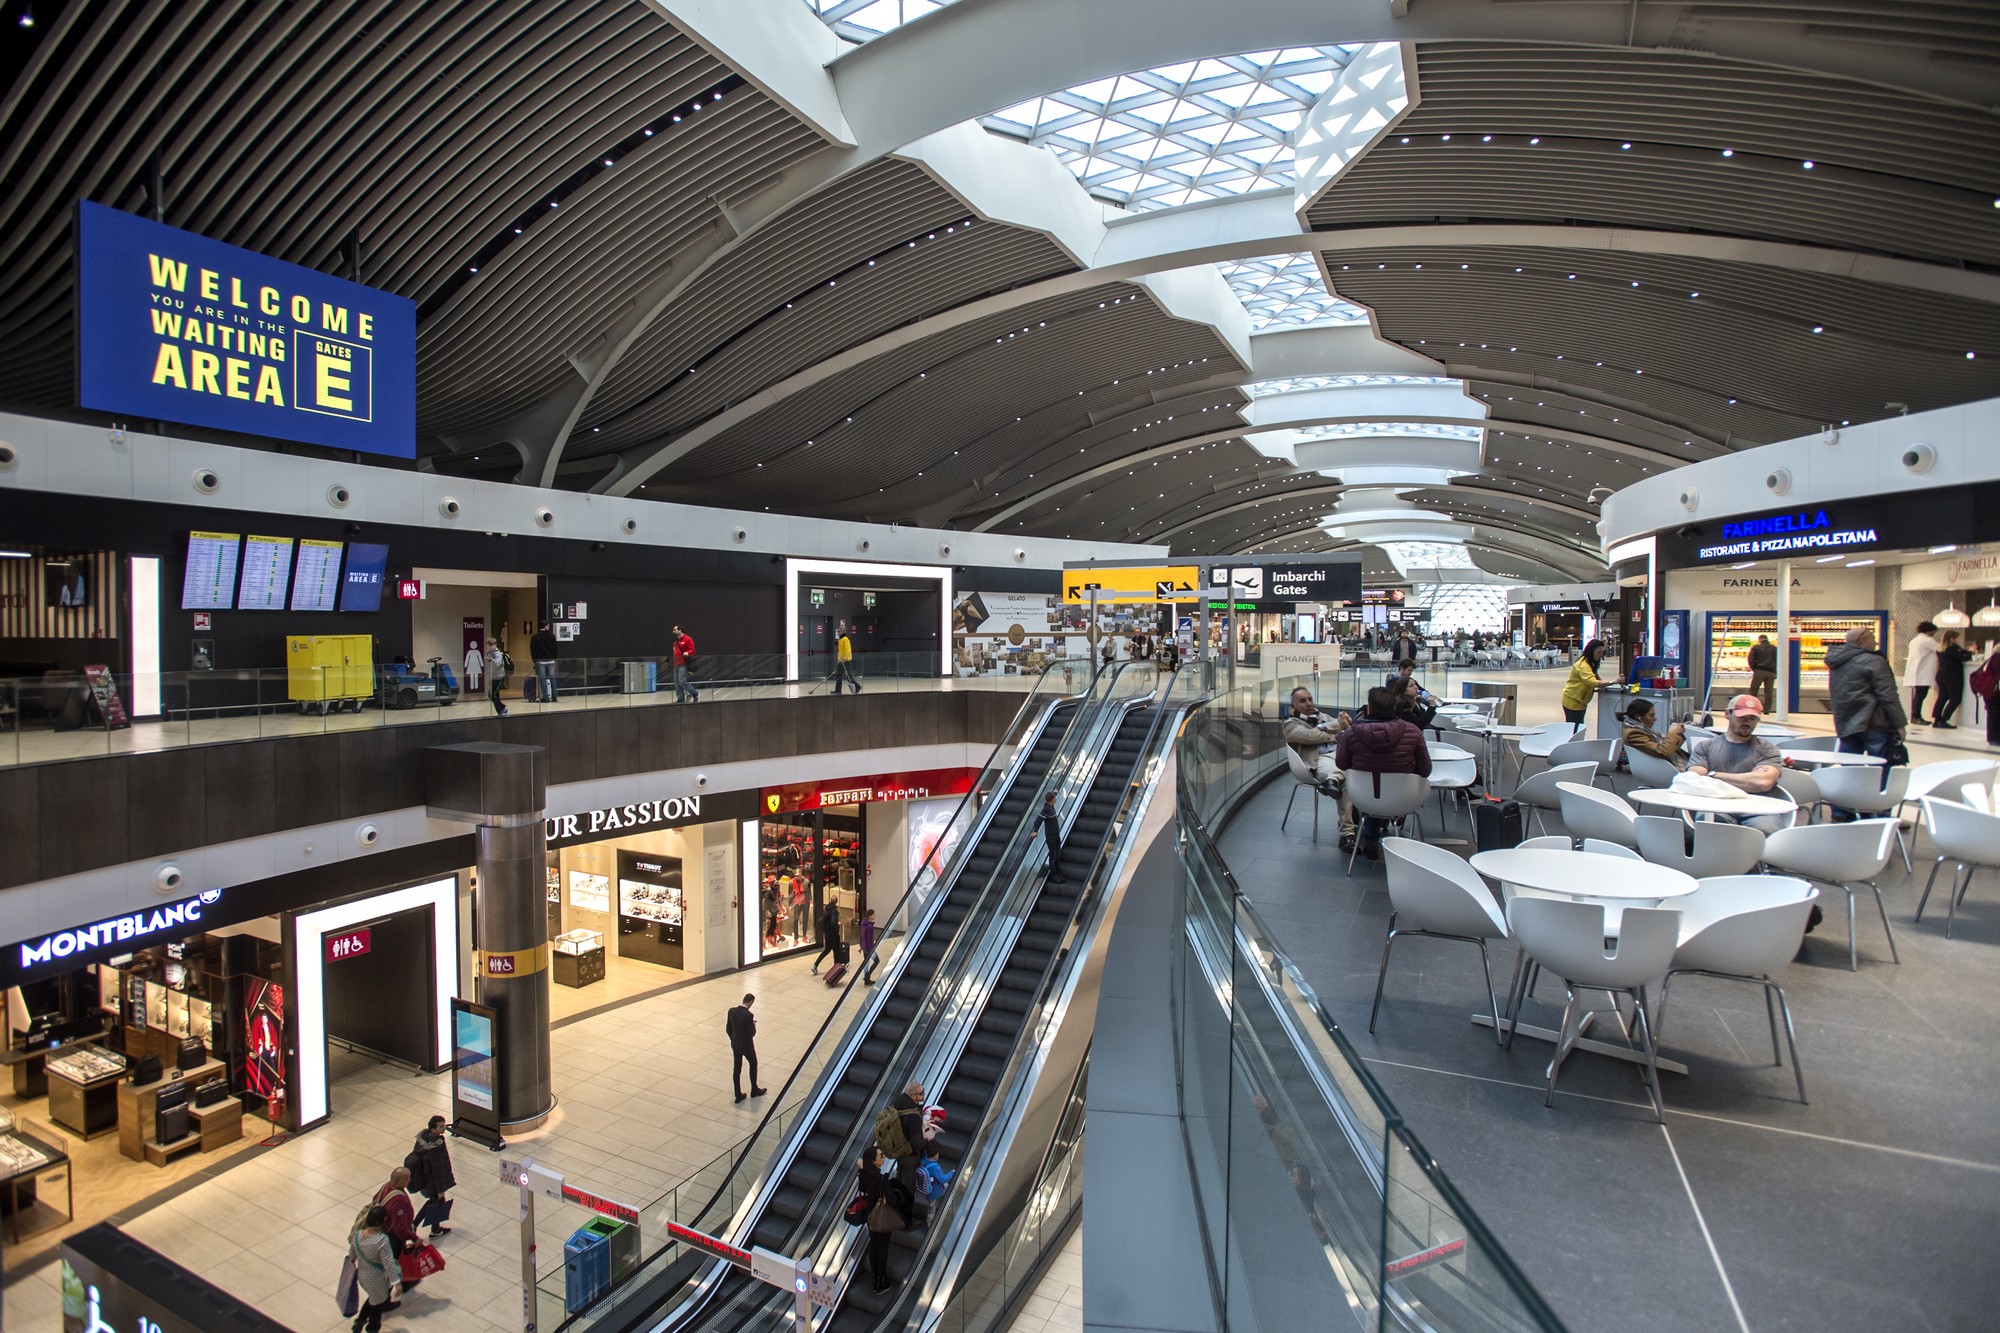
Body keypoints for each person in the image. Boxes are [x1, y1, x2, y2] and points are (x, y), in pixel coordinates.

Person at [1335, 687, 1433, 859]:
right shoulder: (1413, 732)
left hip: (1364, 798)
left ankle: (1371, 838)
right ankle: (1389, 822)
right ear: (1395, 708)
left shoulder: (1350, 734)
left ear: (1369, 708)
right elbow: (1425, 771)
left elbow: (1341, 764)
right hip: (1405, 798)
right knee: (1384, 785)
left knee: (1374, 785)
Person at [1826, 626, 1907, 819]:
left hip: (1847, 722)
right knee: (1879, 770)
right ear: (1862, 641)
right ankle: (1878, 811)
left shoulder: (1836, 661)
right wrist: (1900, 723)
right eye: (1872, 638)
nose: (1876, 643)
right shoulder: (1873, 660)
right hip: (1875, 722)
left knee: (1849, 770)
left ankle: (1843, 810)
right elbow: (1888, 695)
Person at [1283, 686, 1358, 848]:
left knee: (1357, 769)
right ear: (1293, 706)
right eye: (1302, 701)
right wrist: (1334, 728)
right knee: (1346, 778)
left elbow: (1348, 731)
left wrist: (1334, 727)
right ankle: (1348, 834)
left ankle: (1333, 781)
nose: (1308, 703)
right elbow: (1310, 736)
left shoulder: (1323, 716)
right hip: (1317, 762)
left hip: (1338, 756)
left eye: (1310, 699)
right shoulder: (1290, 724)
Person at [349, 1206, 401, 1333]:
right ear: (381, 1222)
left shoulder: (357, 1236)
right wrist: (396, 1282)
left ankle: (359, 1322)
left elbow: (351, 1255)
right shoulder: (382, 1240)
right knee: (377, 1306)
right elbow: (388, 1263)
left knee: (373, 1298)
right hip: (377, 1278)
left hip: (362, 1275)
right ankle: (372, 1328)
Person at [873, 1081, 927, 1199]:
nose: (923, 1094)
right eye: (920, 1093)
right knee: (907, 1188)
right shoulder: (914, 1117)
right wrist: (928, 1142)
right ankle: (901, 1210)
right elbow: (916, 1143)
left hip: (899, 1151)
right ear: (912, 1096)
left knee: (899, 1178)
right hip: (909, 1155)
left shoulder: (898, 1105)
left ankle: (895, 1201)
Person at [406, 1116, 456, 1238]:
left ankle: (435, 1229)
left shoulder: (423, 1138)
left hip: (423, 1177)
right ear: (433, 1129)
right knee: (435, 1201)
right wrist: (441, 1189)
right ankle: (415, 1224)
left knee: (438, 1202)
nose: (444, 1127)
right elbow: (437, 1169)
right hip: (432, 1181)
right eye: (441, 1126)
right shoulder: (436, 1146)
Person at [856, 1145, 897, 1293]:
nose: (883, 1158)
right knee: (883, 1249)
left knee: (874, 1245)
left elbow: (862, 1189)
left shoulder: (865, 1175)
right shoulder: (882, 1179)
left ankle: (875, 1279)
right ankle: (882, 1281)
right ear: (873, 1161)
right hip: (883, 1217)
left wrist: (862, 1170)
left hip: (870, 1216)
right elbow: (892, 1200)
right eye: (881, 1156)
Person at [373, 1167, 423, 1288]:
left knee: (393, 1260)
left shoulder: (386, 1186)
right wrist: (414, 1238)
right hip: (394, 1237)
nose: (409, 1180)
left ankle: (403, 1281)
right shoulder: (398, 1200)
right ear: (397, 1181)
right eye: (406, 1179)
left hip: (384, 1230)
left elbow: (375, 1200)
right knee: (396, 1260)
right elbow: (399, 1228)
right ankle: (398, 1284)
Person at [1618, 698, 1688, 769]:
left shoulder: (1644, 730)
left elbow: (1670, 748)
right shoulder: (1633, 734)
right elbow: (1664, 752)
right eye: (1651, 715)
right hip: (1660, 768)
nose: (1655, 719)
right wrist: (1673, 733)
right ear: (1639, 717)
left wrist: (1677, 734)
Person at [726, 993, 765, 1103]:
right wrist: (754, 1024)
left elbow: (728, 1029)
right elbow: (751, 1033)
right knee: (753, 1064)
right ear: (751, 1002)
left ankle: (738, 1094)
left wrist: (733, 1040)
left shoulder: (731, 1011)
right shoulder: (748, 1015)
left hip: (735, 1044)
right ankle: (754, 1089)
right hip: (746, 1045)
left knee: (737, 1069)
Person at [1560, 638, 1610, 724]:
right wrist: (1612, 682)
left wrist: (1604, 684)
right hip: (1573, 701)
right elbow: (1591, 682)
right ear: (1591, 651)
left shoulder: (1590, 662)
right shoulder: (1583, 665)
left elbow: (1595, 677)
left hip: (1579, 701)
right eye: (1599, 652)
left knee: (1577, 727)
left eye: (1603, 652)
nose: (1601, 655)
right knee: (1575, 729)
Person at [1933, 628, 1973, 729]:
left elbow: (1959, 652)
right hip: (1952, 677)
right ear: (1952, 638)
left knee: (1942, 698)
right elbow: (1964, 657)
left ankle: (1936, 720)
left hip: (1941, 676)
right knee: (1955, 699)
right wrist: (1970, 652)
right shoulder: (1951, 649)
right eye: (1957, 638)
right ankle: (1944, 720)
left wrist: (1964, 650)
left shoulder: (1941, 648)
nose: (1958, 640)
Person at [1905, 621, 1939, 725]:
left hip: (1917, 672)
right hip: (1923, 673)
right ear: (1929, 630)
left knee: (1918, 695)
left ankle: (1915, 716)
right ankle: (1916, 716)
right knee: (1920, 695)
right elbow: (1941, 649)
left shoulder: (1915, 640)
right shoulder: (1928, 640)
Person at [1033, 792, 1066, 883]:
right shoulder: (1046, 809)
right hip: (1051, 836)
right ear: (1051, 800)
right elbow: (1038, 820)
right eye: (1054, 797)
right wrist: (1035, 831)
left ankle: (1058, 873)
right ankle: (1053, 875)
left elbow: (1052, 795)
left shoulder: (1051, 806)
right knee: (1053, 856)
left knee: (1058, 854)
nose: (1056, 799)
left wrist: (1055, 791)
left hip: (1056, 835)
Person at [916, 1142, 956, 1206]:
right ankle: (947, 1204)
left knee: (931, 1201)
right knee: (946, 1186)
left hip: (927, 1187)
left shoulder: (923, 1159)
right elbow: (943, 1179)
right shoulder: (935, 1168)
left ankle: (930, 1214)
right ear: (936, 1155)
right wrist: (952, 1173)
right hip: (935, 1190)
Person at [529, 621, 559, 703]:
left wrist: (534, 659)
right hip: (551, 660)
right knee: (552, 678)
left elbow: (532, 649)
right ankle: (554, 696)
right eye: (548, 626)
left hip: (540, 661)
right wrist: (554, 657)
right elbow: (555, 648)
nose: (549, 627)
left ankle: (545, 697)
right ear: (546, 626)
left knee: (542, 679)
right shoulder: (552, 636)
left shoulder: (535, 637)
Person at [1747, 634, 1778, 712]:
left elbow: (1751, 659)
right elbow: (1779, 660)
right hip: (1771, 672)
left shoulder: (1756, 647)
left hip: (1759, 671)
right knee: (1768, 692)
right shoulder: (1775, 648)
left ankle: (1751, 706)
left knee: (1754, 690)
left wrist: (1754, 669)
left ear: (1759, 639)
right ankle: (1766, 709)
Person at [811, 898, 842, 975]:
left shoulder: (826, 909)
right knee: (836, 951)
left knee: (827, 950)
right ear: (836, 902)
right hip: (833, 934)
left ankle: (815, 964)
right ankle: (837, 969)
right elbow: (833, 923)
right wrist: (837, 927)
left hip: (827, 933)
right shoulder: (834, 911)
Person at [671, 624, 700, 703]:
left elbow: (693, 650)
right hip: (676, 664)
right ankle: (680, 700)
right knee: (677, 683)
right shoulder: (676, 641)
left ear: (680, 630)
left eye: (675, 629)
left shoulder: (687, 639)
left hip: (683, 664)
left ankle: (695, 693)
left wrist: (687, 652)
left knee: (682, 681)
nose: (673, 631)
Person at [832, 624, 861, 694]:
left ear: (842, 631)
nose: (838, 631)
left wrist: (845, 659)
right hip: (841, 661)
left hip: (845, 661)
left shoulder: (845, 639)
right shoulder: (841, 639)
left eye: (839, 630)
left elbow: (848, 650)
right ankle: (838, 690)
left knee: (848, 676)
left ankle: (857, 686)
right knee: (838, 675)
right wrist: (839, 660)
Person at [485, 637, 509, 717]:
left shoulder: (497, 653)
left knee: (491, 694)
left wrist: (490, 659)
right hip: (493, 676)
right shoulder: (490, 653)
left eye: (490, 646)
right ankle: (501, 711)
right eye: (488, 646)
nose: (489, 648)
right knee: (495, 695)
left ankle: (502, 709)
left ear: (495, 645)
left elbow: (498, 663)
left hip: (498, 677)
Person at [858, 907, 881, 984]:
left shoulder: (863, 923)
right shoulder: (870, 926)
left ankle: (866, 979)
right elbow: (870, 939)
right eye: (873, 914)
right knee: (877, 961)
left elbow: (861, 935)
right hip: (868, 947)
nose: (875, 916)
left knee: (866, 962)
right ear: (870, 916)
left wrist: (861, 945)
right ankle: (867, 976)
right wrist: (871, 948)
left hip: (864, 946)